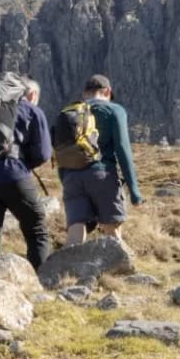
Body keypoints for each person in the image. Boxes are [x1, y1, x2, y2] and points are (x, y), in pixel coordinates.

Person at [0, 77, 54, 267]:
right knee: (36, 228)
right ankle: (42, 282)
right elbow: (44, 153)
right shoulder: (31, 110)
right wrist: (23, 164)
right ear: (31, 94)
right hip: (15, 176)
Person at [54, 74, 142, 244]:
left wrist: (65, 179)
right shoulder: (114, 110)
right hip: (102, 175)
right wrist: (134, 190)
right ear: (107, 91)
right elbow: (122, 149)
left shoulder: (70, 111)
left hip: (71, 177)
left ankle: (69, 269)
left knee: (76, 230)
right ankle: (119, 269)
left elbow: (61, 149)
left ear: (85, 93)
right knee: (112, 231)